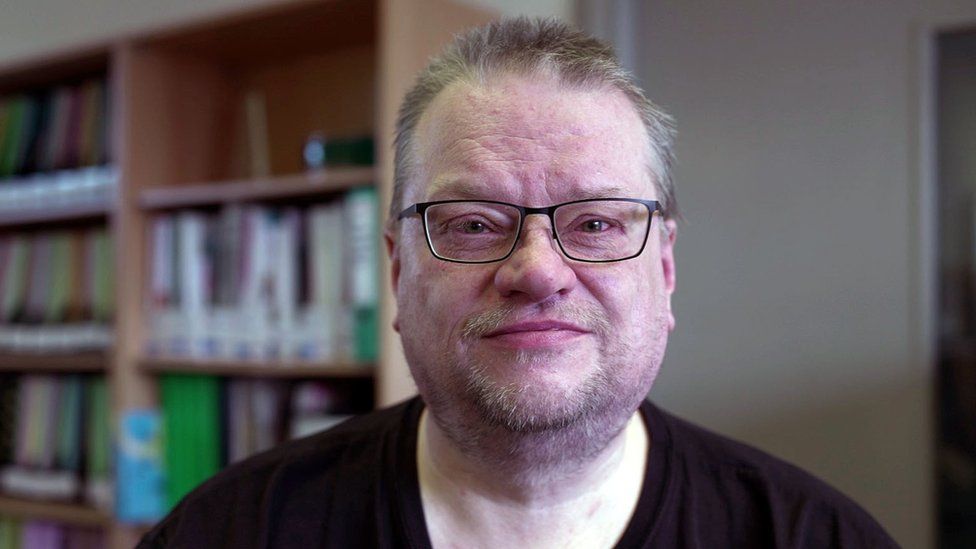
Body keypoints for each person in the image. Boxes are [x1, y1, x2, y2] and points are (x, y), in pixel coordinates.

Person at [139, 18, 897, 548]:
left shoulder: (818, 536)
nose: (536, 270)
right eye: (472, 223)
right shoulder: (228, 530)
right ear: (399, 268)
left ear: (665, 268)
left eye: (596, 224)